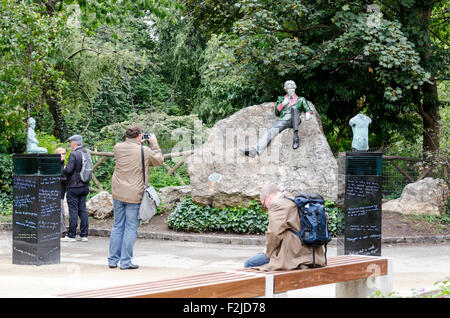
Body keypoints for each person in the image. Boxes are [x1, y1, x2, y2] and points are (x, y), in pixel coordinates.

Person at [107, 125, 164, 270]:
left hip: (118, 192)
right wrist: (154, 144)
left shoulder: (117, 147)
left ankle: (113, 260)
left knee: (117, 226)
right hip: (134, 194)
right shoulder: (144, 150)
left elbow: (130, 152)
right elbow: (158, 161)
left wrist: (138, 143)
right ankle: (125, 262)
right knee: (131, 227)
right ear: (139, 136)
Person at [244, 184, 325, 270]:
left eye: (264, 205)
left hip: (295, 257)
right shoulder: (295, 200)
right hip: (315, 256)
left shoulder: (278, 205)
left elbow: (274, 234)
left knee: (249, 263)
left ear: (268, 197)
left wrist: (268, 251)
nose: (266, 208)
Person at [241, 80, 313, 157]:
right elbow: (276, 113)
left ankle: (296, 136)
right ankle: (254, 150)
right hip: (283, 120)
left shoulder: (301, 99)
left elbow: (308, 109)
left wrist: (308, 113)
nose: (291, 90)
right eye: (289, 89)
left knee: (294, 109)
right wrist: (283, 104)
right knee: (270, 130)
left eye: (292, 88)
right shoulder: (281, 98)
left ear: (295, 88)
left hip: (295, 120)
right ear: (286, 90)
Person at [61, 135, 91, 242]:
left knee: (73, 210)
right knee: (82, 210)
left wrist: (62, 168)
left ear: (74, 143)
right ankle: (84, 235)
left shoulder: (74, 154)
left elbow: (68, 171)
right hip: (85, 186)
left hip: (74, 187)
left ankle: (71, 235)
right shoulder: (86, 153)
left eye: (71, 143)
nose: (70, 145)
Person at [54, 147, 68, 238]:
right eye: (61, 154)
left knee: (61, 212)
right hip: (56, 191)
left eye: (64, 153)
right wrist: (65, 179)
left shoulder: (62, 164)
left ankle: (61, 230)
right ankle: (62, 231)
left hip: (62, 192)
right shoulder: (55, 165)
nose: (63, 155)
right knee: (60, 212)